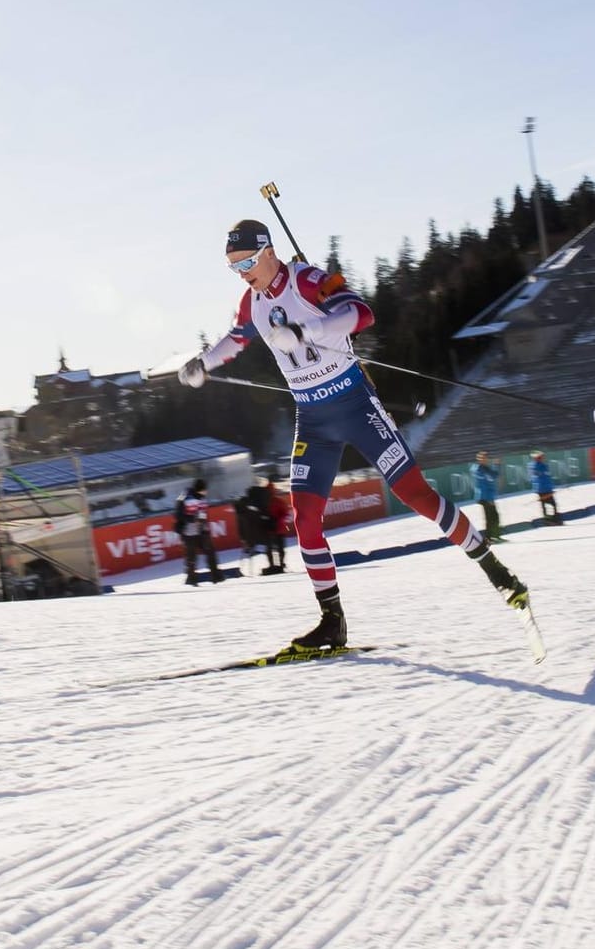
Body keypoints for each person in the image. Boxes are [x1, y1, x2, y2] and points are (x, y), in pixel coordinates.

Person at [179, 219, 529, 649]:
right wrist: (203, 364)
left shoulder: (308, 280)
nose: (243, 271)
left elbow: (361, 312)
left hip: (356, 405)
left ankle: (496, 570)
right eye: (234, 266)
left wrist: (306, 330)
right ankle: (332, 621)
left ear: (269, 251)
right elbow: (236, 340)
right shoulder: (250, 303)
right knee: (305, 518)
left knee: (417, 495)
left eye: (248, 261)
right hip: (313, 419)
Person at [174, 478, 222, 585]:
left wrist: (204, 525)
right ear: (199, 489)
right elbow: (177, 515)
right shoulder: (184, 498)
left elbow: (203, 513)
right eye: (205, 489)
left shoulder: (202, 498)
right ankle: (191, 579)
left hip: (202, 530)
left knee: (210, 552)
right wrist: (191, 519)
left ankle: (216, 577)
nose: (206, 491)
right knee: (191, 557)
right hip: (189, 532)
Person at [473, 451, 504, 542]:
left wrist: (497, 465)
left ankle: (495, 536)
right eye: (482, 458)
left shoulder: (485, 468)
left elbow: (494, 475)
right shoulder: (480, 469)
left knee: (494, 516)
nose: (484, 460)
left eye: (485, 458)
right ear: (478, 459)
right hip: (484, 497)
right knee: (490, 517)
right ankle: (489, 538)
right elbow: (491, 478)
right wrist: (497, 465)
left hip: (488, 497)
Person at [529, 450, 564, 526]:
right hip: (542, 489)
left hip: (546, 488)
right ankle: (550, 520)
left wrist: (551, 487)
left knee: (551, 505)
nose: (542, 458)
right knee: (549, 505)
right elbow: (539, 477)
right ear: (536, 458)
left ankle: (553, 520)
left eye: (542, 457)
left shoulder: (543, 465)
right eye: (540, 457)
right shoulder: (536, 466)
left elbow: (547, 477)